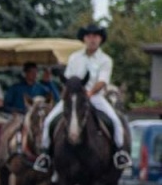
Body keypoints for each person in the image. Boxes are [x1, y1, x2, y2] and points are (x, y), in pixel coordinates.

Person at [36, 25, 130, 170]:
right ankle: (45, 155)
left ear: (100, 39)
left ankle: (119, 153)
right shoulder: (74, 57)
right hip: (73, 97)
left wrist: (89, 93)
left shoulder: (105, 60)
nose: (92, 39)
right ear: (84, 39)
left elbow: (102, 81)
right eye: (89, 36)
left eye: (95, 36)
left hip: (95, 97)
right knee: (49, 120)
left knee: (115, 121)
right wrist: (65, 96)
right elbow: (68, 80)